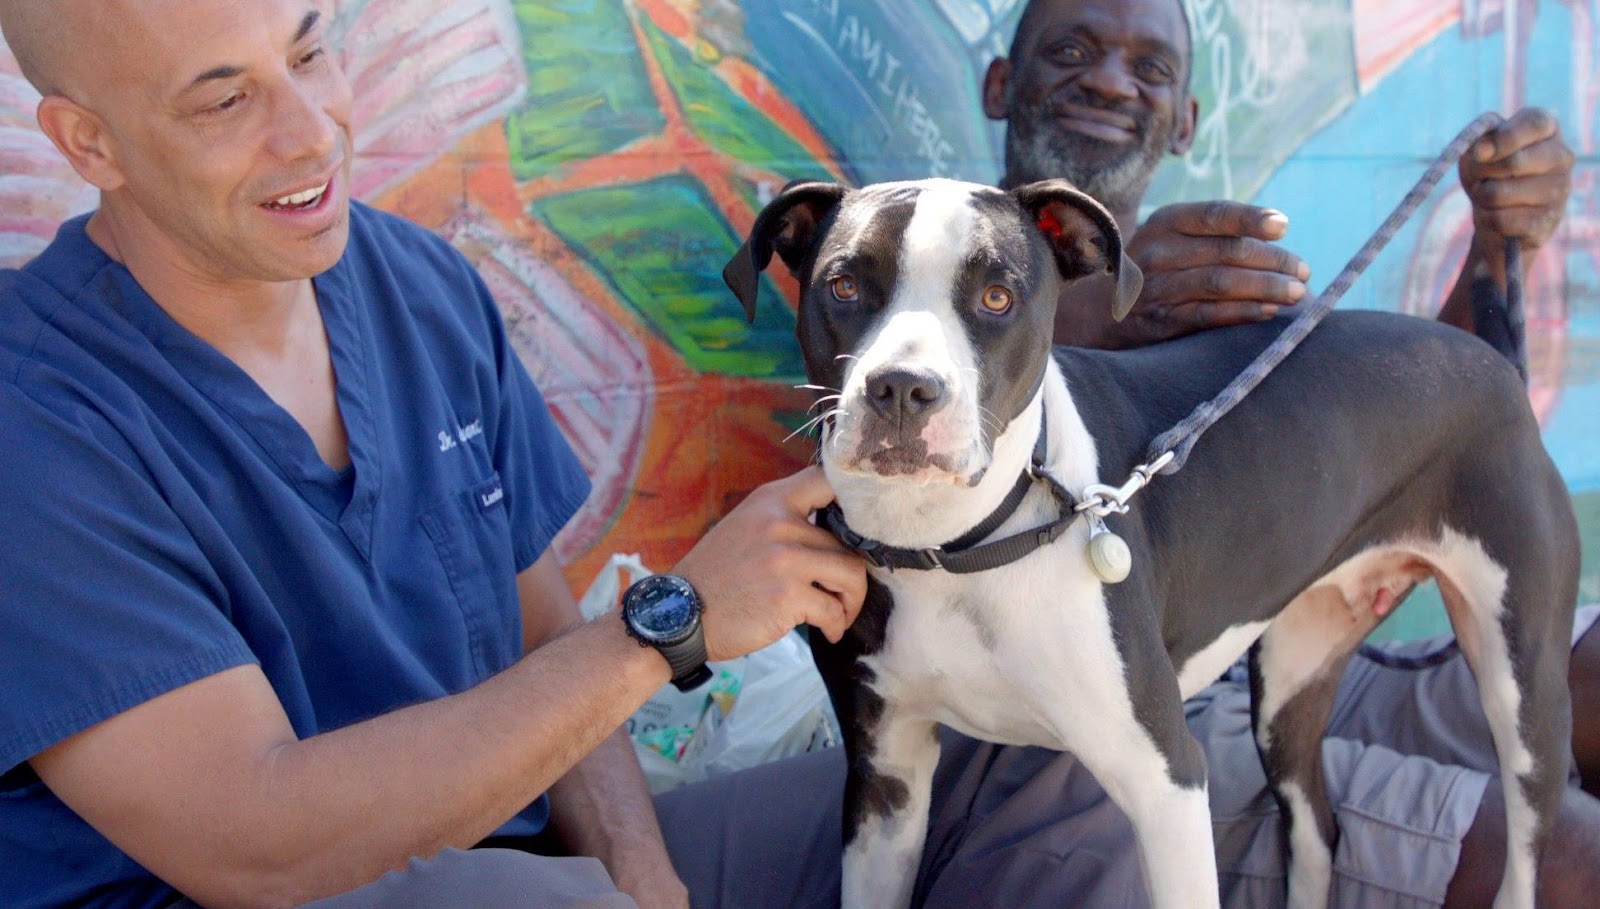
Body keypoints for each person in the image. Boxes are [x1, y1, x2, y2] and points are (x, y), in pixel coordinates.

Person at [0, 1, 870, 907]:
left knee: (954, 786)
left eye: (307, 55)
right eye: (225, 101)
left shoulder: (420, 285)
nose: (310, 134)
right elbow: (257, 848)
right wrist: (671, 623)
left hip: (524, 866)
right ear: (89, 143)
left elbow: (547, 648)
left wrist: (642, 878)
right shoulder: (35, 419)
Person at [980, 0, 1600, 906]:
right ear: (1000, 86)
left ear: (1185, 121)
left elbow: (1431, 461)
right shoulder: (909, 286)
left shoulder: (1202, 291)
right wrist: (1100, 320)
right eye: (1072, 50)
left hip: (1289, 653)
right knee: (1575, 864)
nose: (1112, 82)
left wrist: (1498, 242)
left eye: (1151, 69)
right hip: (1096, 737)